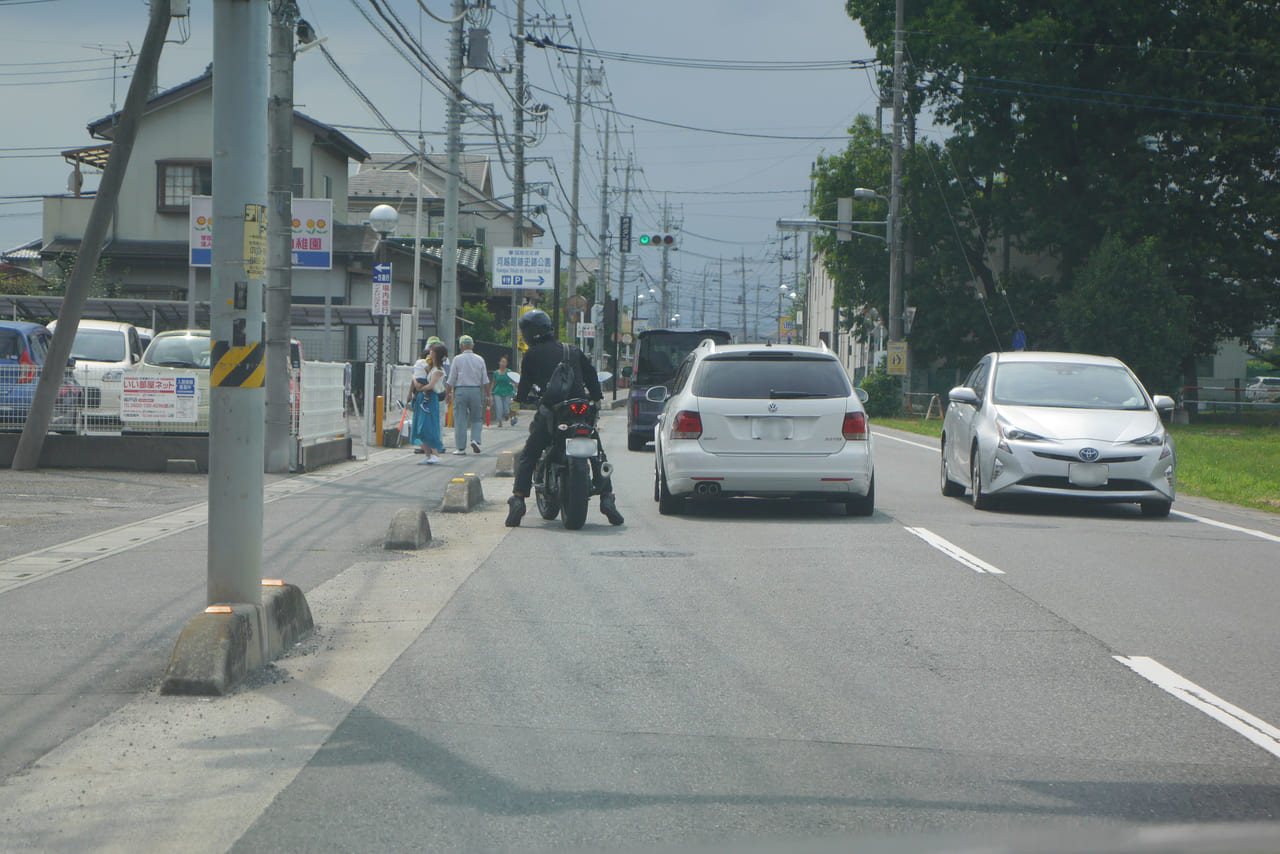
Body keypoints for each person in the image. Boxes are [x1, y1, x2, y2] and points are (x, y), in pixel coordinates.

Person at [505, 309, 624, 528]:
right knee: (596, 452)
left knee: (529, 453)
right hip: (580, 410)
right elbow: (592, 381)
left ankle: (518, 500)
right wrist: (595, 399)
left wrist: (519, 400)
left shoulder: (532, 354)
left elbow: (523, 388)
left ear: (530, 332)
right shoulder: (573, 350)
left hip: (553, 411)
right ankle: (607, 498)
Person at [445, 334, 490, 455]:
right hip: (475, 390)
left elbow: (451, 379)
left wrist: (447, 395)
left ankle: (461, 448)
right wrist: (488, 396)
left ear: (461, 346)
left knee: (460, 419)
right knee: (476, 418)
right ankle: (475, 439)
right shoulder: (480, 359)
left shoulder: (457, 359)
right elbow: (485, 380)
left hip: (460, 391)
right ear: (473, 346)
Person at [410, 344, 446, 463]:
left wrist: (419, 387)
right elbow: (419, 373)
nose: (430, 353)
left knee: (430, 425)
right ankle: (427, 454)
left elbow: (431, 385)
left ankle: (435, 453)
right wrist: (416, 379)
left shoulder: (439, 370)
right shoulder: (430, 367)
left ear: (435, 354)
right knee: (421, 426)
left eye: (432, 351)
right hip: (424, 397)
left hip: (431, 398)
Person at [490, 354, 515, 428]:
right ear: (499, 363)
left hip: (507, 391)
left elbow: (513, 380)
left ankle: (507, 415)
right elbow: (494, 382)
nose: (503, 363)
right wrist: (490, 392)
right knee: (499, 407)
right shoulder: (496, 373)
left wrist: (515, 386)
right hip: (498, 392)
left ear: (506, 364)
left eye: (504, 362)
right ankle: (500, 422)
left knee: (506, 409)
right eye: (502, 362)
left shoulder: (509, 372)